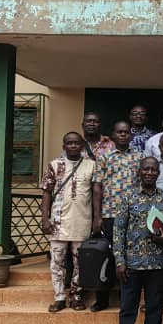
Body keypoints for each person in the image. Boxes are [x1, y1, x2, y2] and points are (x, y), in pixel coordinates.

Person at [111, 157, 163, 324]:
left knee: (155, 311)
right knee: (127, 311)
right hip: (131, 265)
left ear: (158, 173)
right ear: (139, 172)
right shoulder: (128, 197)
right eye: (145, 169)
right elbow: (118, 231)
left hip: (157, 265)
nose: (149, 173)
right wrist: (120, 261)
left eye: (153, 170)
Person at [41, 132, 102, 312]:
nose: (73, 146)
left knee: (80, 263)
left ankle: (76, 295)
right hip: (58, 223)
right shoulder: (54, 165)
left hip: (82, 222)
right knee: (57, 262)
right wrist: (44, 219)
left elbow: (97, 193)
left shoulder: (92, 165)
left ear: (82, 145)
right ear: (64, 145)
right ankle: (59, 297)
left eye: (77, 143)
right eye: (70, 143)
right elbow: (46, 193)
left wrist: (96, 218)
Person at [91, 120, 140, 312]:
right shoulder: (104, 157)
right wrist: (97, 216)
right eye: (119, 132)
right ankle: (101, 298)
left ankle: (124, 298)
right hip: (109, 214)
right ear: (113, 134)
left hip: (133, 215)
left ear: (130, 135)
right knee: (107, 257)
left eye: (126, 132)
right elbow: (97, 187)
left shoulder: (139, 156)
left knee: (128, 257)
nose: (123, 135)